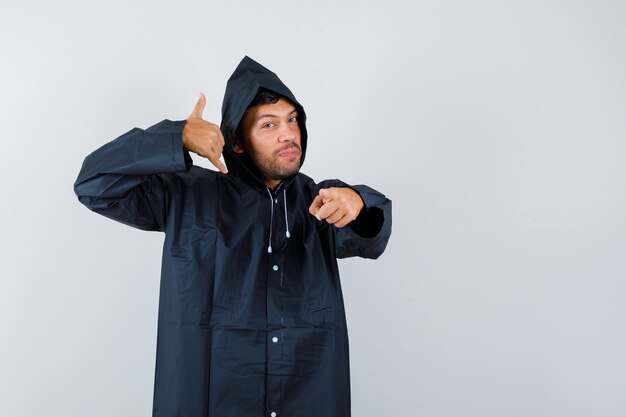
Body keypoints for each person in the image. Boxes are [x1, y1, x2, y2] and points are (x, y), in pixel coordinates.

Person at [74, 56, 392, 417]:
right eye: (269, 125)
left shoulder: (319, 202)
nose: (288, 133)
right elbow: (94, 185)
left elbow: (369, 238)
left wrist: (360, 203)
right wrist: (173, 137)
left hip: (306, 396)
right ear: (237, 142)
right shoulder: (187, 196)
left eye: (292, 120)